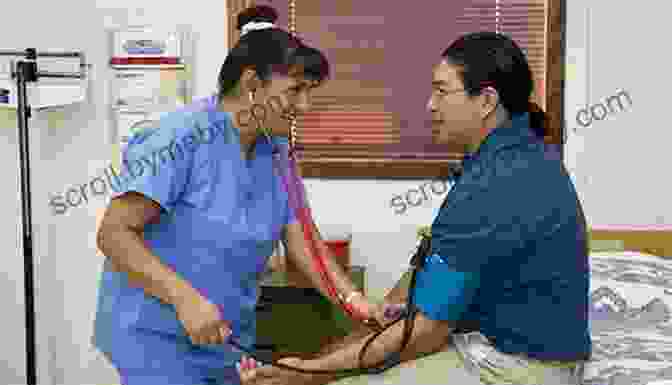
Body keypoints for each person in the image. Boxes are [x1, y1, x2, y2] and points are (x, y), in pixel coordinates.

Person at [238, 32, 591, 385]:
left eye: (441, 90)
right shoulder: (511, 157)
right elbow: (424, 279)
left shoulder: (497, 182)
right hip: (504, 349)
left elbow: (423, 332)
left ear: (485, 100)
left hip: (517, 367)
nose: (430, 105)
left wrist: (309, 372)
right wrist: (349, 339)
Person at [92, 5, 384, 385]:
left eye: (309, 93)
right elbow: (113, 234)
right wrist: (185, 299)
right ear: (251, 84)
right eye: (295, 91)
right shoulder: (180, 138)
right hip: (156, 334)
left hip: (227, 337)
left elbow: (303, 239)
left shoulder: (276, 150)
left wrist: (354, 301)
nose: (305, 106)